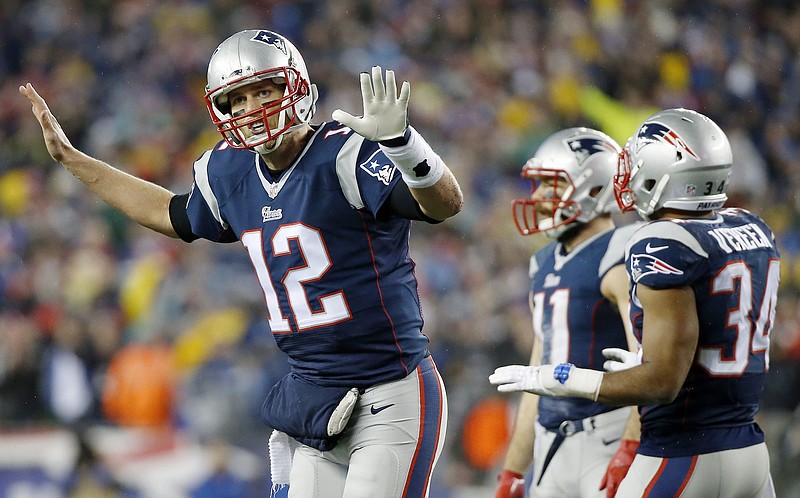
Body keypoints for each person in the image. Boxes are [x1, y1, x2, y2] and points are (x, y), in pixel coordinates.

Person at [20, 29, 463, 498]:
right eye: (238, 98)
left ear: (296, 87)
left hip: (389, 391)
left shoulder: (346, 152)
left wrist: (405, 146)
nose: (252, 107)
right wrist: (73, 160)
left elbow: (444, 204)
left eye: (264, 90)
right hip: (314, 400)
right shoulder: (227, 171)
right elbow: (169, 213)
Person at [490, 108, 778, 497]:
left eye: (637, 164)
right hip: (745, 444)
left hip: (677, 448)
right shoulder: (750, 227)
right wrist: (513, 468)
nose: (625, 175)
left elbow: (660, 379)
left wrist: (565, 379)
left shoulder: (652, 243)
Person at [496, 127, 642, 498]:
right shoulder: (542, 263)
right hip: (550, 443)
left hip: (607, 434)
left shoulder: (622, 252)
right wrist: (513, 469)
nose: (540, 198)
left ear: (594, 189)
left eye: (553, 186)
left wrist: (631, 445)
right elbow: (535, 377)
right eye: (540, 186)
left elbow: (648, 368)